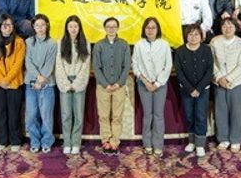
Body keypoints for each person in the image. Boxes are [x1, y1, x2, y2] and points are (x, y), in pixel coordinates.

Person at [133, 17, 172, 157]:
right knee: (147, 115)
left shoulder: (164, 45)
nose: (150, 30)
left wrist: (156, 83)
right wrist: (146, 82)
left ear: (158, 29)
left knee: (158, 115)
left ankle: (158, 145)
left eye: (153, 27)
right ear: (144, 29)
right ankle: (147, 144)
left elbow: (168, 66)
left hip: (160, 85)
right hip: (144, 84)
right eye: (148, 27)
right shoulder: (139, 45)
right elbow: (135, 65)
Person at [93, 16, 131, 154]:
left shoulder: (124, 44)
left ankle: (115, 141)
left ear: (117, 28)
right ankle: (106, 140)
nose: (111, 29)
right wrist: (105, 84)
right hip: (103, 87)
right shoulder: (98, 45)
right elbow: (96, 67)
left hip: (119, 87)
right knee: (103, 115)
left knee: (117, 116)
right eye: (108, 26)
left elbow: (127, 66)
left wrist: (119, 83)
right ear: (105, 28)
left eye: (114, 26)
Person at [0, 14, 26, 152]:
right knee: (1, 112)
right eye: (4, 25)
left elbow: (18, 64)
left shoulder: (19, 42)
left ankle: (15, 139)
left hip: (14, 83)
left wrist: (7, 79)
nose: (7, 27)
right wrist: (1, 80)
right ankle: (2, 139)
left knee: (14, 112)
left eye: (10, 25)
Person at [174, 24, 213, 157]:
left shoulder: (206, 50)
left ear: (201, 36)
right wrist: (190, 89)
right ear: (186, 36)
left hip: (203, 89)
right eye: (190, 34)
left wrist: (199, 88)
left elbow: (209, 70)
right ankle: (192, 142)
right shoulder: (180, 51)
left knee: (201, 116)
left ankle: (200, 144)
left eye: (196, 34)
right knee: (189, 115)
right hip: (186, 90)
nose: (193, 37)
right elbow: (179, 72)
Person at [210, 17, 241, 152]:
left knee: (236, 111)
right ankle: (223, 139)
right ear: (221, 28)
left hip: (237, 82)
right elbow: (211, 62)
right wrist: (219, 77)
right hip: (219, 82)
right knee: (220, 111)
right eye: (225, 26)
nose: (227, 28)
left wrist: (229, 78)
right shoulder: (215, 41)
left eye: (231, 26)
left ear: (235, 28)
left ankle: (235, 139)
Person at [56, 15, 91, 155]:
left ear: (79, 28)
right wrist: (66, 83)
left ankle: (76, 143)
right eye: (70, 26)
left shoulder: (85, 43)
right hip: (64, 81)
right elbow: (58, 65)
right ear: (67, 28)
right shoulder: (61, 42)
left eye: (75, 26)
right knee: (66, 114)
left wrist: (76, 83)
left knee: (78, 114)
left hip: (79, 82)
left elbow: (86, 65)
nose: (73, 29)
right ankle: (67, 143)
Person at [24, 14, 57, 154]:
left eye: (43, 25)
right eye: (37, 25)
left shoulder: (52, 43)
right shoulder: (28, 42)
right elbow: (28, 62)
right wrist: (37, 77)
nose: (40, 28)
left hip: (47, 83)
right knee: (31, 114)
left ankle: (46, 141)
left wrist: (41, 79)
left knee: (46, 114)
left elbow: (50, 64)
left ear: (47, 26)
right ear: (33, 27)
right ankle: (35, 141)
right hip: (31, 83)